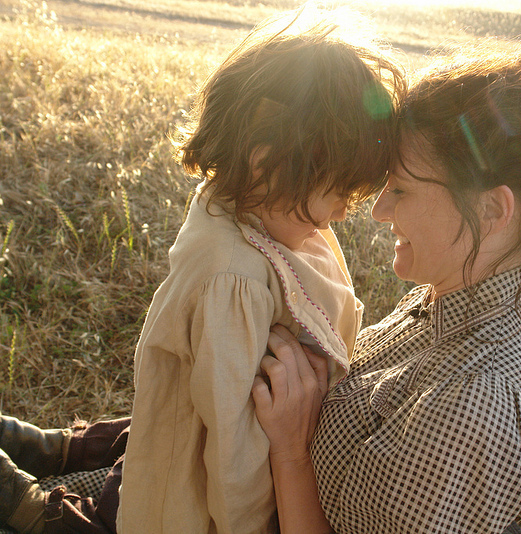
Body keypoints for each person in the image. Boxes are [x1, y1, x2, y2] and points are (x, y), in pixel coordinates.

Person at [0, 7, 403, 534]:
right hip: (188, 491)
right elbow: (232, 457)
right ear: (267, 166)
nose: (344, 212)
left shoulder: (267, 213)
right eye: (336, 192)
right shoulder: (232, 282)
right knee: (124, 507)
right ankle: (25, 502)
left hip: (181, 428)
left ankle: (50, 449)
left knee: (147, 438)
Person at [252, 44, 521, 533]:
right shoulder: (442, 302)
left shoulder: (475, 403)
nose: (379, 210)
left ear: (492, 211)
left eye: (402, 188)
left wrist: (292, 451)